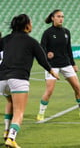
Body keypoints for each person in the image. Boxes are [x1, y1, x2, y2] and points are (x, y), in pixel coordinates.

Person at [0, 14, 59, 148]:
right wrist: (51, 71)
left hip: (2, 79)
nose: (32, 25)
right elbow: (42, 59)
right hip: (19, 78)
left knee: (10, 102)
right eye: (31, 23)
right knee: (19, 112)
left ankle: (6, 131)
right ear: (26, 26)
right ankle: (12, 138)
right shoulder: (31, 41)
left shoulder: (5, 40)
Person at [36, 9, 80, 121]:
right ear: (53, 18)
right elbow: (41, 48)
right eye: (58, 16)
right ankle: (41, 113)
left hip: (66, 64)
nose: (61, 18)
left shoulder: (66, 32)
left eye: (62, 16)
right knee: (49, 90)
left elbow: (69, 49)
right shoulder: (47, 33)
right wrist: (47, 54)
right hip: (52, 66)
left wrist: (73, 64)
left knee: (77, 87)